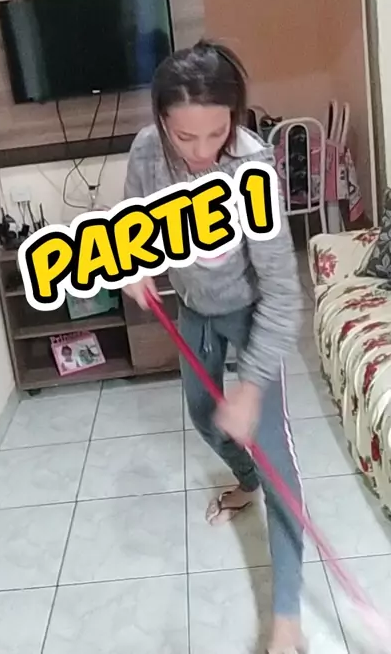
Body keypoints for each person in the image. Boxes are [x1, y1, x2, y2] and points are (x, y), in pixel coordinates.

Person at [123, 40, 305, 654]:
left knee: (277, 458)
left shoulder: (253, 171)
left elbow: (283, 292)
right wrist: (134, 268)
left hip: (251, 313)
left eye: (217, 133)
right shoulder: (147, 152)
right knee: (205, 417)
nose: (202, 152)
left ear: (235, 115)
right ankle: (244, 482)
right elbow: (132, 222)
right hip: (192, 308)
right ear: (161, 121)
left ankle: (286, 618)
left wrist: (251, 387)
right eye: (185, 137)